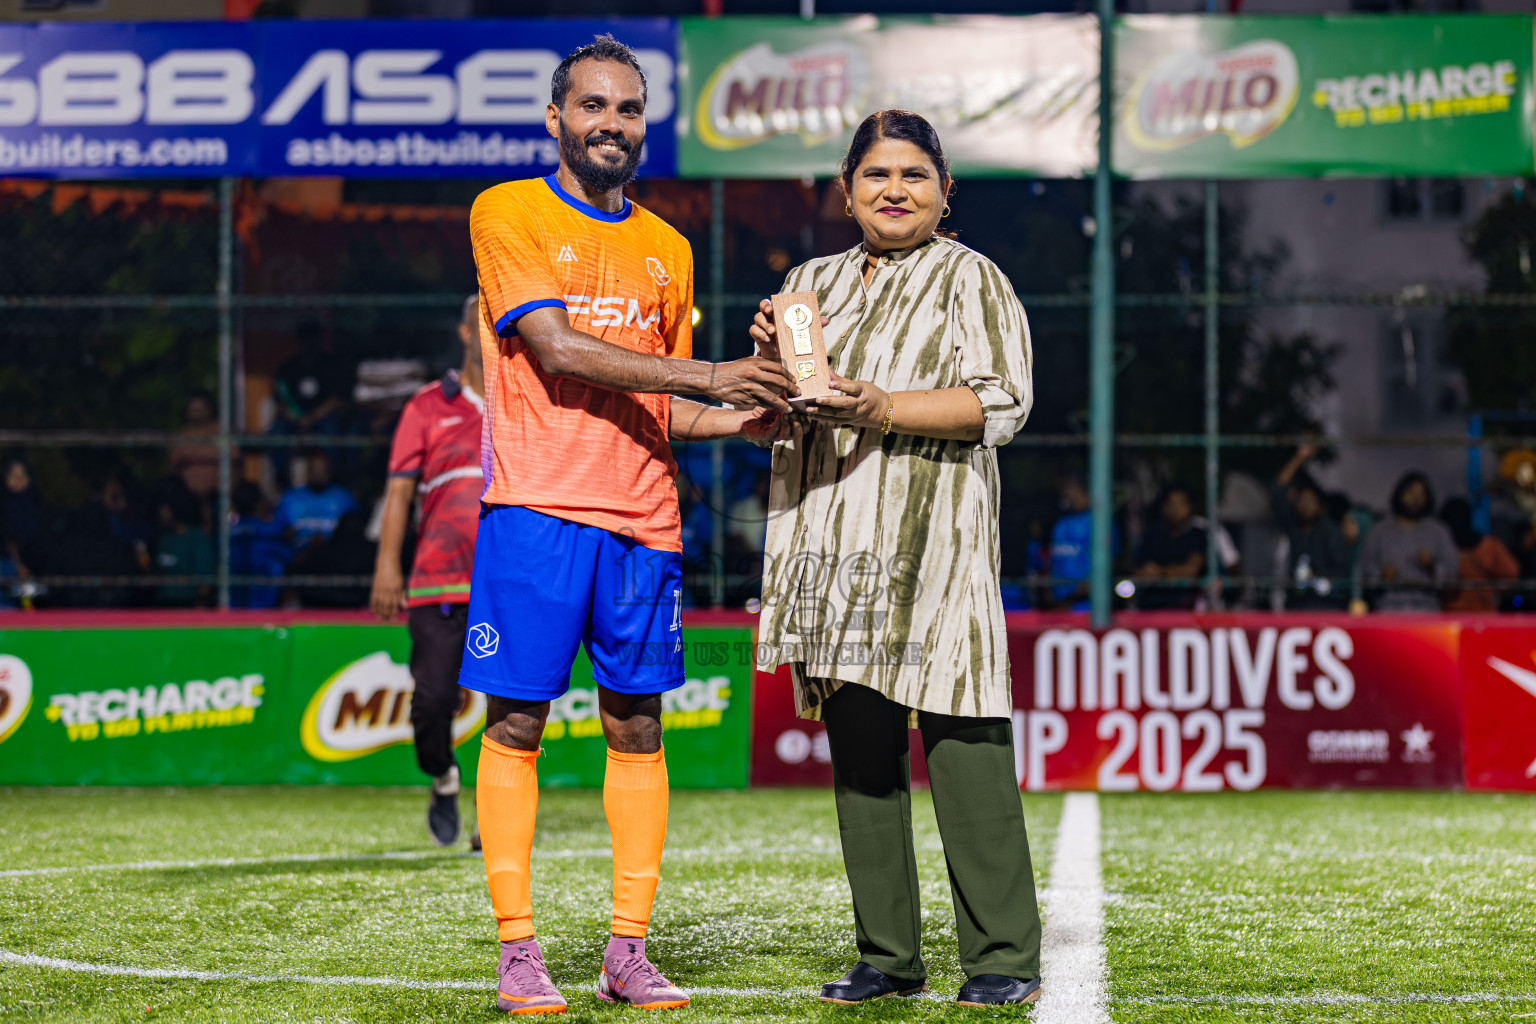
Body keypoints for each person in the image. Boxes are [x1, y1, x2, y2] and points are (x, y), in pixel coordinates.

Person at [461, 35, 796, 1015]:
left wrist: (741, 419)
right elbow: (556, 348)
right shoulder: (507, 211)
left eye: (630, 109)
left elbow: (660, 404)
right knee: (517, 722)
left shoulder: (670, 247)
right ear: (556, 118)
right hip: (534, 510)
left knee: (638, 727)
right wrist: (708, 376)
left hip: (645, 522)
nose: (613, 124)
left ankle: (626, 950)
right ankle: (518, 951)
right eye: (594, 106)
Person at [750, 109, 1042, 1008]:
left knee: (965, 738)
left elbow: (1003, 404)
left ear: (945, 193)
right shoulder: (810, 283)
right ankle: (887, 953)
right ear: (847, 192)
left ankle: (1000, 958)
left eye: (915, 175)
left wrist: (880, 405)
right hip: (832, 536)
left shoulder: (972, 278)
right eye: (876, 175)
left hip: (936, 540)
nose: (894, 191)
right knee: (863, 752)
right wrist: (768, 361)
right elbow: (788, 404)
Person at [370, 295, 486, 847]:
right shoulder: (426, 406)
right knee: (433, 702)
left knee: (516, 706)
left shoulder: (531, 402)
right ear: (465, 333)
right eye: (482, 322)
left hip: (507, 579)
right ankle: (442, 775)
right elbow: (398, 492)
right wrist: (387, 565)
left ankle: (498, 815)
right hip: (437, 579)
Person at [1360, 471, 1459, 612]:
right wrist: (1382, 576)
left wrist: (1432, 567)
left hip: (1427, 607)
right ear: (1400, 494)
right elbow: (1365, 570)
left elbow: (1452, 574)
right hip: (1388, 607)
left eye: (1421, 495)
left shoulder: (1439, 532)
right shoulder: (1379, 531)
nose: (1415, 499)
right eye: (1411, 493)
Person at [1270, 445, 1350, 610]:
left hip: (1327, 606)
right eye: (1302, 501)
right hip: (1296, 606)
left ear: (1320, 506)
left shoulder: (1329, 529)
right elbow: (1277, 491)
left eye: (1311, 501)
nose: (1306, 505)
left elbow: (1342, 571)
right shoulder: (1292, 525)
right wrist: (1298, 457)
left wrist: (1320, 582)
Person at [1132, 484, 1207, 610]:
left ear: (1190, 507)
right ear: (1163, 507)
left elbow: (1192, 570)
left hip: (1187, 606)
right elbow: (1137, 569)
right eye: (1171, 504)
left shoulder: (1198, 535)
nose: (1176, 510)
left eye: (1181, 504)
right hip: (1151, 606)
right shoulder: (1150, 535)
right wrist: (1146, 573)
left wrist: (1161, 572)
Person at [1439, 497, 1520, 613]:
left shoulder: (1444, 549)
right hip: (1481, 613)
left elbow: (1511, 577)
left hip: (1457, 615)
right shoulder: (1489, 545)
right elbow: (1512, 574)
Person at [275, 451, 359, 551]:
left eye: (322, 470)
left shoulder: (344, 497)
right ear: (307, 471)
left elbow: (356, 529)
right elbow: (277, 529)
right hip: (297, 556)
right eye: (314, 469)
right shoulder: (291, 497)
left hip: (335, 555)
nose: (318, 474)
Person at [229, 481, 290, 610]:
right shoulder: (269, 532)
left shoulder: (226, 533)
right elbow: (289, 556)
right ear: (258, 504)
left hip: (234, 611)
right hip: (263, 608)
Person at [153, 481, 213, 608]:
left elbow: (204, 586)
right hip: (161, 607)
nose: (160, 513)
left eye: (164, 508)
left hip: (187, 608)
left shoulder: (197, 539)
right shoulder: (164, 538)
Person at [168, 393, 219, 529]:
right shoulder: (181, 436)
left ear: (210, 410)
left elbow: (235, 462)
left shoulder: (221, 433)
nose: (198, 413)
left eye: (201, 409)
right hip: (188, 500)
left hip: (218, 497)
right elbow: (174, 468)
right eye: (194, 409)